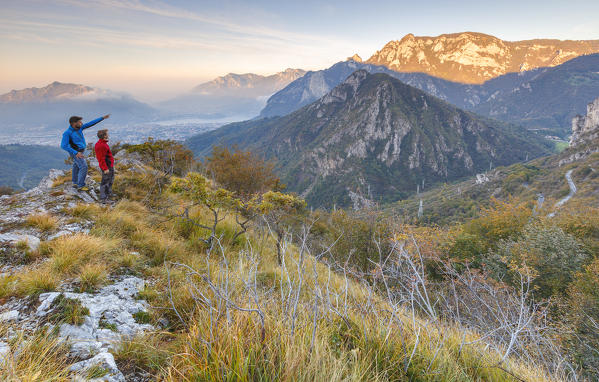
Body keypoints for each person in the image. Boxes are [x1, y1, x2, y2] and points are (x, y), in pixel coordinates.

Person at [60, 114, 110, 191]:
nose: (82, 123)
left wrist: (102, 118)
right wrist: (75, 152)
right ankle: (81, 185)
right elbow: (64, 145)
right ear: (74, 123)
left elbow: (90, 123)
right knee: (83, 166)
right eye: (79, 122)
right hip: (75, 152)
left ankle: (75, 182)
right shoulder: (67, 133)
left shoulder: (79, 128)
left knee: (76, 165)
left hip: (80, 151)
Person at [94, 129, 115, 203]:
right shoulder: (101, 145)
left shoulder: (103, 143)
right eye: (107, 134)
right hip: (107, 166)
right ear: (104, 136)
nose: (108, 135)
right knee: (105, 181)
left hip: (109, 165)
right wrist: (105, 168)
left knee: (110, 180)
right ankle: (103, 198)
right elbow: (101, 158)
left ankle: (108, 194)